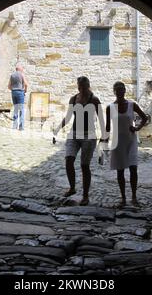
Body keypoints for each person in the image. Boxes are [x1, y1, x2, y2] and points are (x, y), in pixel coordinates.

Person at [53, 76, 105, 206]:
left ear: (88, 86)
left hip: (89, 135)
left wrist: (103, 139)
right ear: (78, 86)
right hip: (74, 134)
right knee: (69, 159)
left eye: (84, 87)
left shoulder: (94, 100)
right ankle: (72, 188)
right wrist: (57, 129)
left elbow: (101, 120)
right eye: (79, 87)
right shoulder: (73, 99)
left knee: (84, 165)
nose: (81, 89)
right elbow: (69, 117)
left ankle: (85, 196)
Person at [104, 82, 148, 208]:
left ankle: (134, 197)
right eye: (117, 89)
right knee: (120, 170)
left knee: (133, 168)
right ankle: (123, 198)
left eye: (122, 89)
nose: (120, 91)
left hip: (131, 140)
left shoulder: (132, 105)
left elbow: (144, 118)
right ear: (114, 91)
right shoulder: (110, 108)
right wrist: (104, 143)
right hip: (117, 142)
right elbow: (107, 127)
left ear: (125, 90)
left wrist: (137, 128)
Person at [8, 63, 29, 130]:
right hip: (20, 92)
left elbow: (9, 86)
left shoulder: (12, 75)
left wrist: (13, 90)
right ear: (20, 69)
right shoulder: (22, 74)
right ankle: (21, 127)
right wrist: (25, 90)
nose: (23, 70)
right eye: (22, 68)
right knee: (21, 110)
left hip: (13, 93)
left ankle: (14, 126)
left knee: (15, 109)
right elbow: (26, 84)